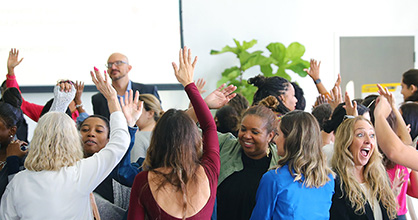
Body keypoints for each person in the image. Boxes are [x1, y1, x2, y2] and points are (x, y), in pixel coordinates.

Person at [0, 67, 134, 219]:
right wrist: (112, 99)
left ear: (37, 140)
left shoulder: (18, 182)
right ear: (74, 141)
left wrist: (60, 103)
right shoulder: (80, 174)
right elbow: (120, 143)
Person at [127, 47, 220, 219]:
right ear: (194, 139)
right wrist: (189, 84)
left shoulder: (143, 181)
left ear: (157, 140)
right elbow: (209, 127)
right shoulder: (209, 169)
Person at [250, 110, 334, 219]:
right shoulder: (328, 178)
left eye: (278, 134)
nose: (275, 140)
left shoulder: (274, 179)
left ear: (290, 139)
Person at [329, 116, 397, 220]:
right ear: (346, 142)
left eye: (372, 135)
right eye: (360, 135)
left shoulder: (380, 177)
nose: (368, 141)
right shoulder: (336, 183)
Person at [92, 53, 160, 119]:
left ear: (129, 68)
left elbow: (159, 118)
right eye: (110, 65)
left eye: (118, 63)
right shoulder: (98, 99)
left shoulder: (148, 90)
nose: (113, 67)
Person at [131, 94, 163, 162]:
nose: (133, 113)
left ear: (150, 113)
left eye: (138, 109)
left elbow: (136, 168)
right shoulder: (166, 135)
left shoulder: (138, 138)